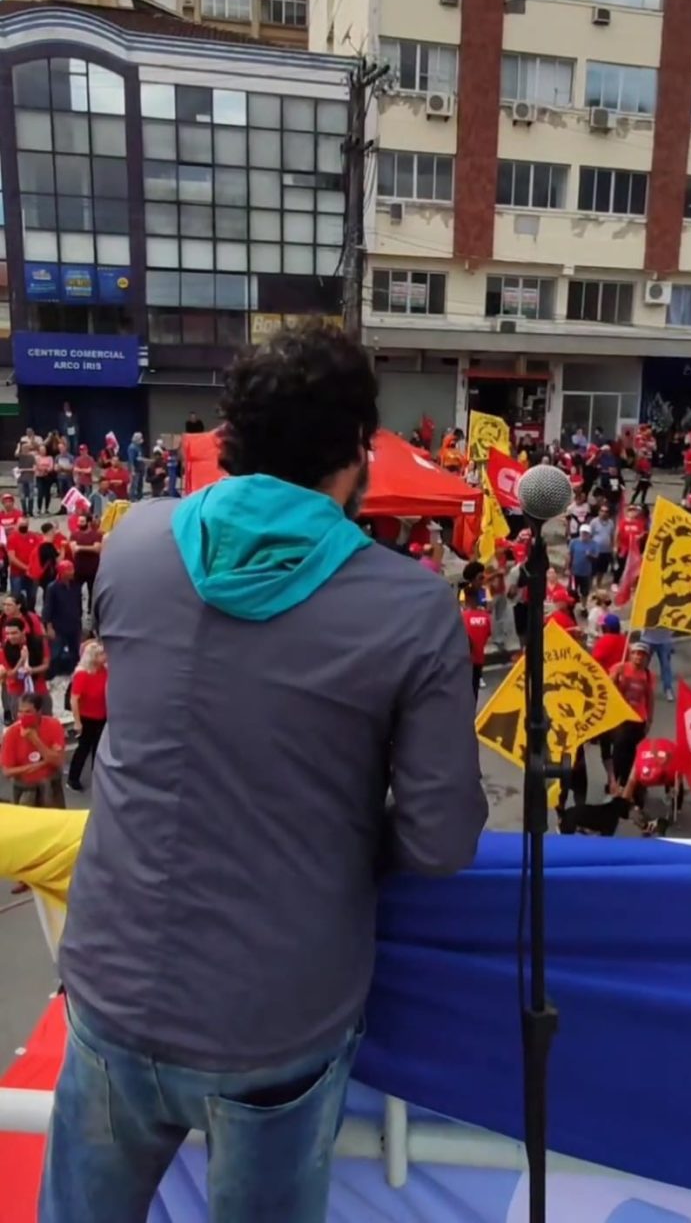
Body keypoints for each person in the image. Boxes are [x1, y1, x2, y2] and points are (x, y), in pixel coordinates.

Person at [44, 326, 487, 1223]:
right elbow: (440, 842)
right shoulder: (411, 607)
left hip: (108, 986)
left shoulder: (134, 545)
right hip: (276, 1022)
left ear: (230, 437)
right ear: (359, 454)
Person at [0, 692, 66, 808]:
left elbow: (58, 762)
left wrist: (34, 739)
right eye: (20, 711)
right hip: (25, 788)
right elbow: (7, 771)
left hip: (50, 784)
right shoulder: (11, 733)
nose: (22, 716)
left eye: (28, 712)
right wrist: (39, 764)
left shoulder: (54, 725)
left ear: (39, 711)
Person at [611, 641, 655, 788]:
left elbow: (650, 698)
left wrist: (649, 721)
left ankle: (632, 786)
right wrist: (616, 678)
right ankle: (618, 783)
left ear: (647, 658)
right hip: (622, 718)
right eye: (635, 653)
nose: (638, 657)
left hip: (638, 720)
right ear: (630, 655)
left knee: (634, 755)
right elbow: (609, 689)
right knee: (618, 753)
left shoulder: (648, 675)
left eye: (642, 654)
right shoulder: (619, 668)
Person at [66, 640, 108, 792]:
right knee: (83, 749)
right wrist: (77, 722)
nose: (105, 656)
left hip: (102, 716)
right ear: (93, 657)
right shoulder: (82, 674)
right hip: (87, 717)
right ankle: (73, 778)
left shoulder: (104, 671)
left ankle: (97, 777)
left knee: (99, 749)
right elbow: (74, 699)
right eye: (102, 654)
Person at [43, 560, 83, 691]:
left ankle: (74, 677)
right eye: (68, 570)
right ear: (61, 572)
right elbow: (48, 608)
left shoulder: (76, 585)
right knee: (55, 653)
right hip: (59, 626)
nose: (72, 572)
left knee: (75, 652)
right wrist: (48, 627)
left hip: (73, 625)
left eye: (72, 569)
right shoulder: (52, 588)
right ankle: (50, 678)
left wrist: (79, 620)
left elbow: (78, 604)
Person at [69, 513, 103, 614]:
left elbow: (97, 549)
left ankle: (91, 613)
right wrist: (88, 548)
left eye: (82, 522)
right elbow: (73, 549)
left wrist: (80, 548)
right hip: (78, 569)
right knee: (75, 593)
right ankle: (77, 612)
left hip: (93, 569)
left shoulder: (96, 534)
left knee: (93, 594)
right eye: (79, 521)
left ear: (88, 523)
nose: (79, 523)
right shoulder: (74, 534)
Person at [461, 590, 491, 702]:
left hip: (464, 659)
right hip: (479, 658)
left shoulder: (462, 616)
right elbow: (488, 633)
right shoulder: (485, 616)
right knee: (474, 688)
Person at [7, 515, 40, 612]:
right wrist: (27, 568)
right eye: (21, 524)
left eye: (26, 524)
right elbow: (12, 558)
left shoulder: (34, 536)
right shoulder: (12, 538)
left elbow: (39, 552)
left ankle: (30, 615)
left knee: (32, 596)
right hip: (17, 573)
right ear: (16, 525)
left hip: (32, 573)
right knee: (16, 597)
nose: (24, 526)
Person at [640, 626, 675, 702]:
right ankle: (640, 688)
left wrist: (671, 633)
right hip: (648, 639)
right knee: (642, 665)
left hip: (664, 640)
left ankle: (668, 689)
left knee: (666, 666)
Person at [568, 524, 597, 604]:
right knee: (572, 591)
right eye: (583, 532)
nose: (584, 534)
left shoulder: (593, 544)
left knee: (585, 592)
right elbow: (570, 555)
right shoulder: (573, 542)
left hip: (586, 573)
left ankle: (583, 607)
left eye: (586, 533)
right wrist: (567, 568)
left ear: (589, 534)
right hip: (574, 572)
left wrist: (589, 555)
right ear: (580, 533)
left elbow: (595, 558)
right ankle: (571, 606)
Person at [589, 504, 615, 582]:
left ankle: (598, 584)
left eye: (606, 511)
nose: (604, 513)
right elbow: (590, 536)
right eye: (602, 511)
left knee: (602, 570)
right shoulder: (594, 522)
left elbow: (612, 536)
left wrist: (613, 547)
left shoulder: (611, 522)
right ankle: (589, 585)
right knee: (593, 570)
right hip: (595, 551)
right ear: (599, 512)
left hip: (606, 551)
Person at [15, 433, 36, 517]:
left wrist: (23, 469)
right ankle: (24, 511)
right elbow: (16, 454)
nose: (24, 450)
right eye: (23, 448)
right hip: (21, 478)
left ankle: (30, 511)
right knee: (22, 495)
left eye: (26, 448)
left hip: (30, 477)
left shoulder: (31, 457)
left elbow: (34, 469)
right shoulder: (20, 456)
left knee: (31, 494)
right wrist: (18, 446)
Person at [34, 444, 55, 516]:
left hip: (47, 477)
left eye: (44, 450)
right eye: (41, 450)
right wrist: (45, 468)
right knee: (40, 493)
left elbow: (51, 467)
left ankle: (46, 509)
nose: (43, 451)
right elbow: (37, 466)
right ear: (39, 451)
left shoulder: (50, 458)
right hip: (39, 477)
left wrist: (45, 469)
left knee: (47, 493)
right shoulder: (37, 457)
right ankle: (39, 509)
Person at [127, 432, 145, 501]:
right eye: (140, 438)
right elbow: (131, 460)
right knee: (134, 484)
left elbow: (140, 456)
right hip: (135, 469)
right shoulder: (132, 447)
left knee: (140, 483)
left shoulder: (139, 447)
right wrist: (132, 470)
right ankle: (132, 497)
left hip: (140, 468)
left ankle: (139, 496)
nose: (141, 440)